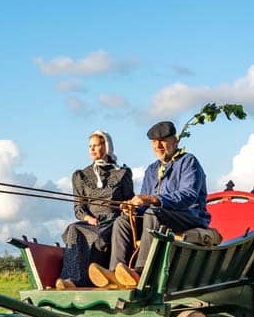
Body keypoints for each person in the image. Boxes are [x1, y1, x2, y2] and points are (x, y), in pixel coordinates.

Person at [89, 120, 213, 288]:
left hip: (189, 216)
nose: (158, 146)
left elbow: (189, 195)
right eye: (155, 142)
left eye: (163, 141)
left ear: (175, 141)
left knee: (151, 213)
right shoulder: (151, 169)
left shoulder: (188, 162)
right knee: (122, 221)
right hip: (158, 217)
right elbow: (144, 204)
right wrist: (133, 207)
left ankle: (140, 272)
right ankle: (115, 272)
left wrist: (154, 200)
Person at [54, 130, 134, 289]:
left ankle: (103, 276)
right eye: (90, 146)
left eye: (96, 145)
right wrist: (88, 218)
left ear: (107, 146)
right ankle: (71, 280)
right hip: (92, 221)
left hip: (114, 221)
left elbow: (129, 200)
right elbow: (78, 207)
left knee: (102, 235)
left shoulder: (122, 173)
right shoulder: (81, 175)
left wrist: (127, 207)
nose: (92, 149)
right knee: (73, 229)